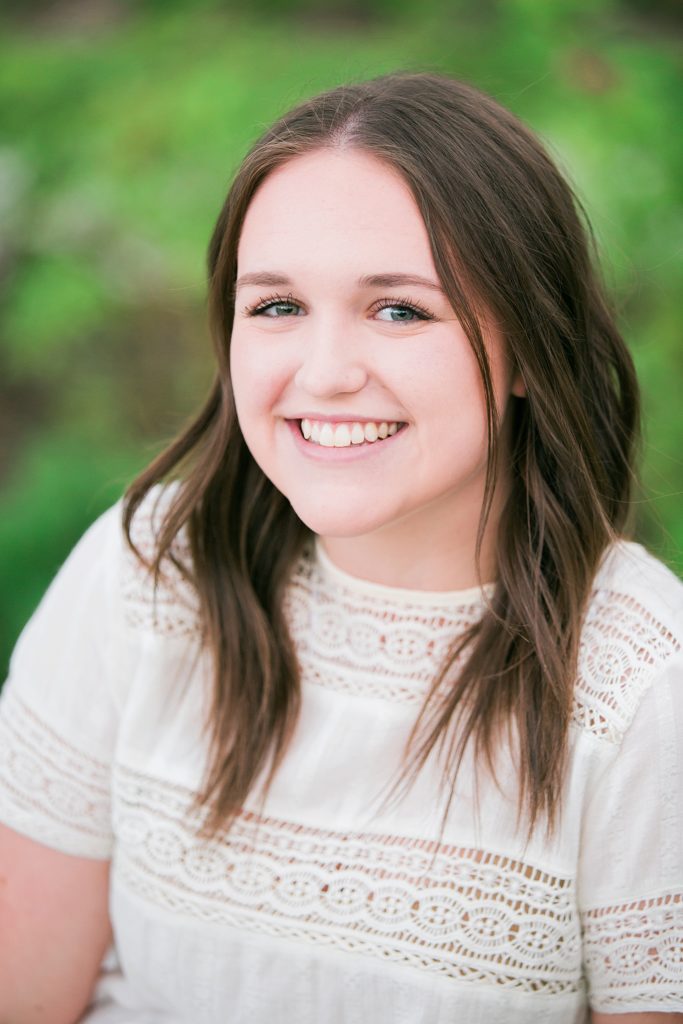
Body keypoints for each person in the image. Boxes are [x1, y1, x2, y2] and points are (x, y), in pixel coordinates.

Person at [0, 71, 681, 1024]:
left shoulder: (641, 682)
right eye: (276, 306)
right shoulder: (147, 575)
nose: (323, 374)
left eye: (399, 309)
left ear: (530, 346)